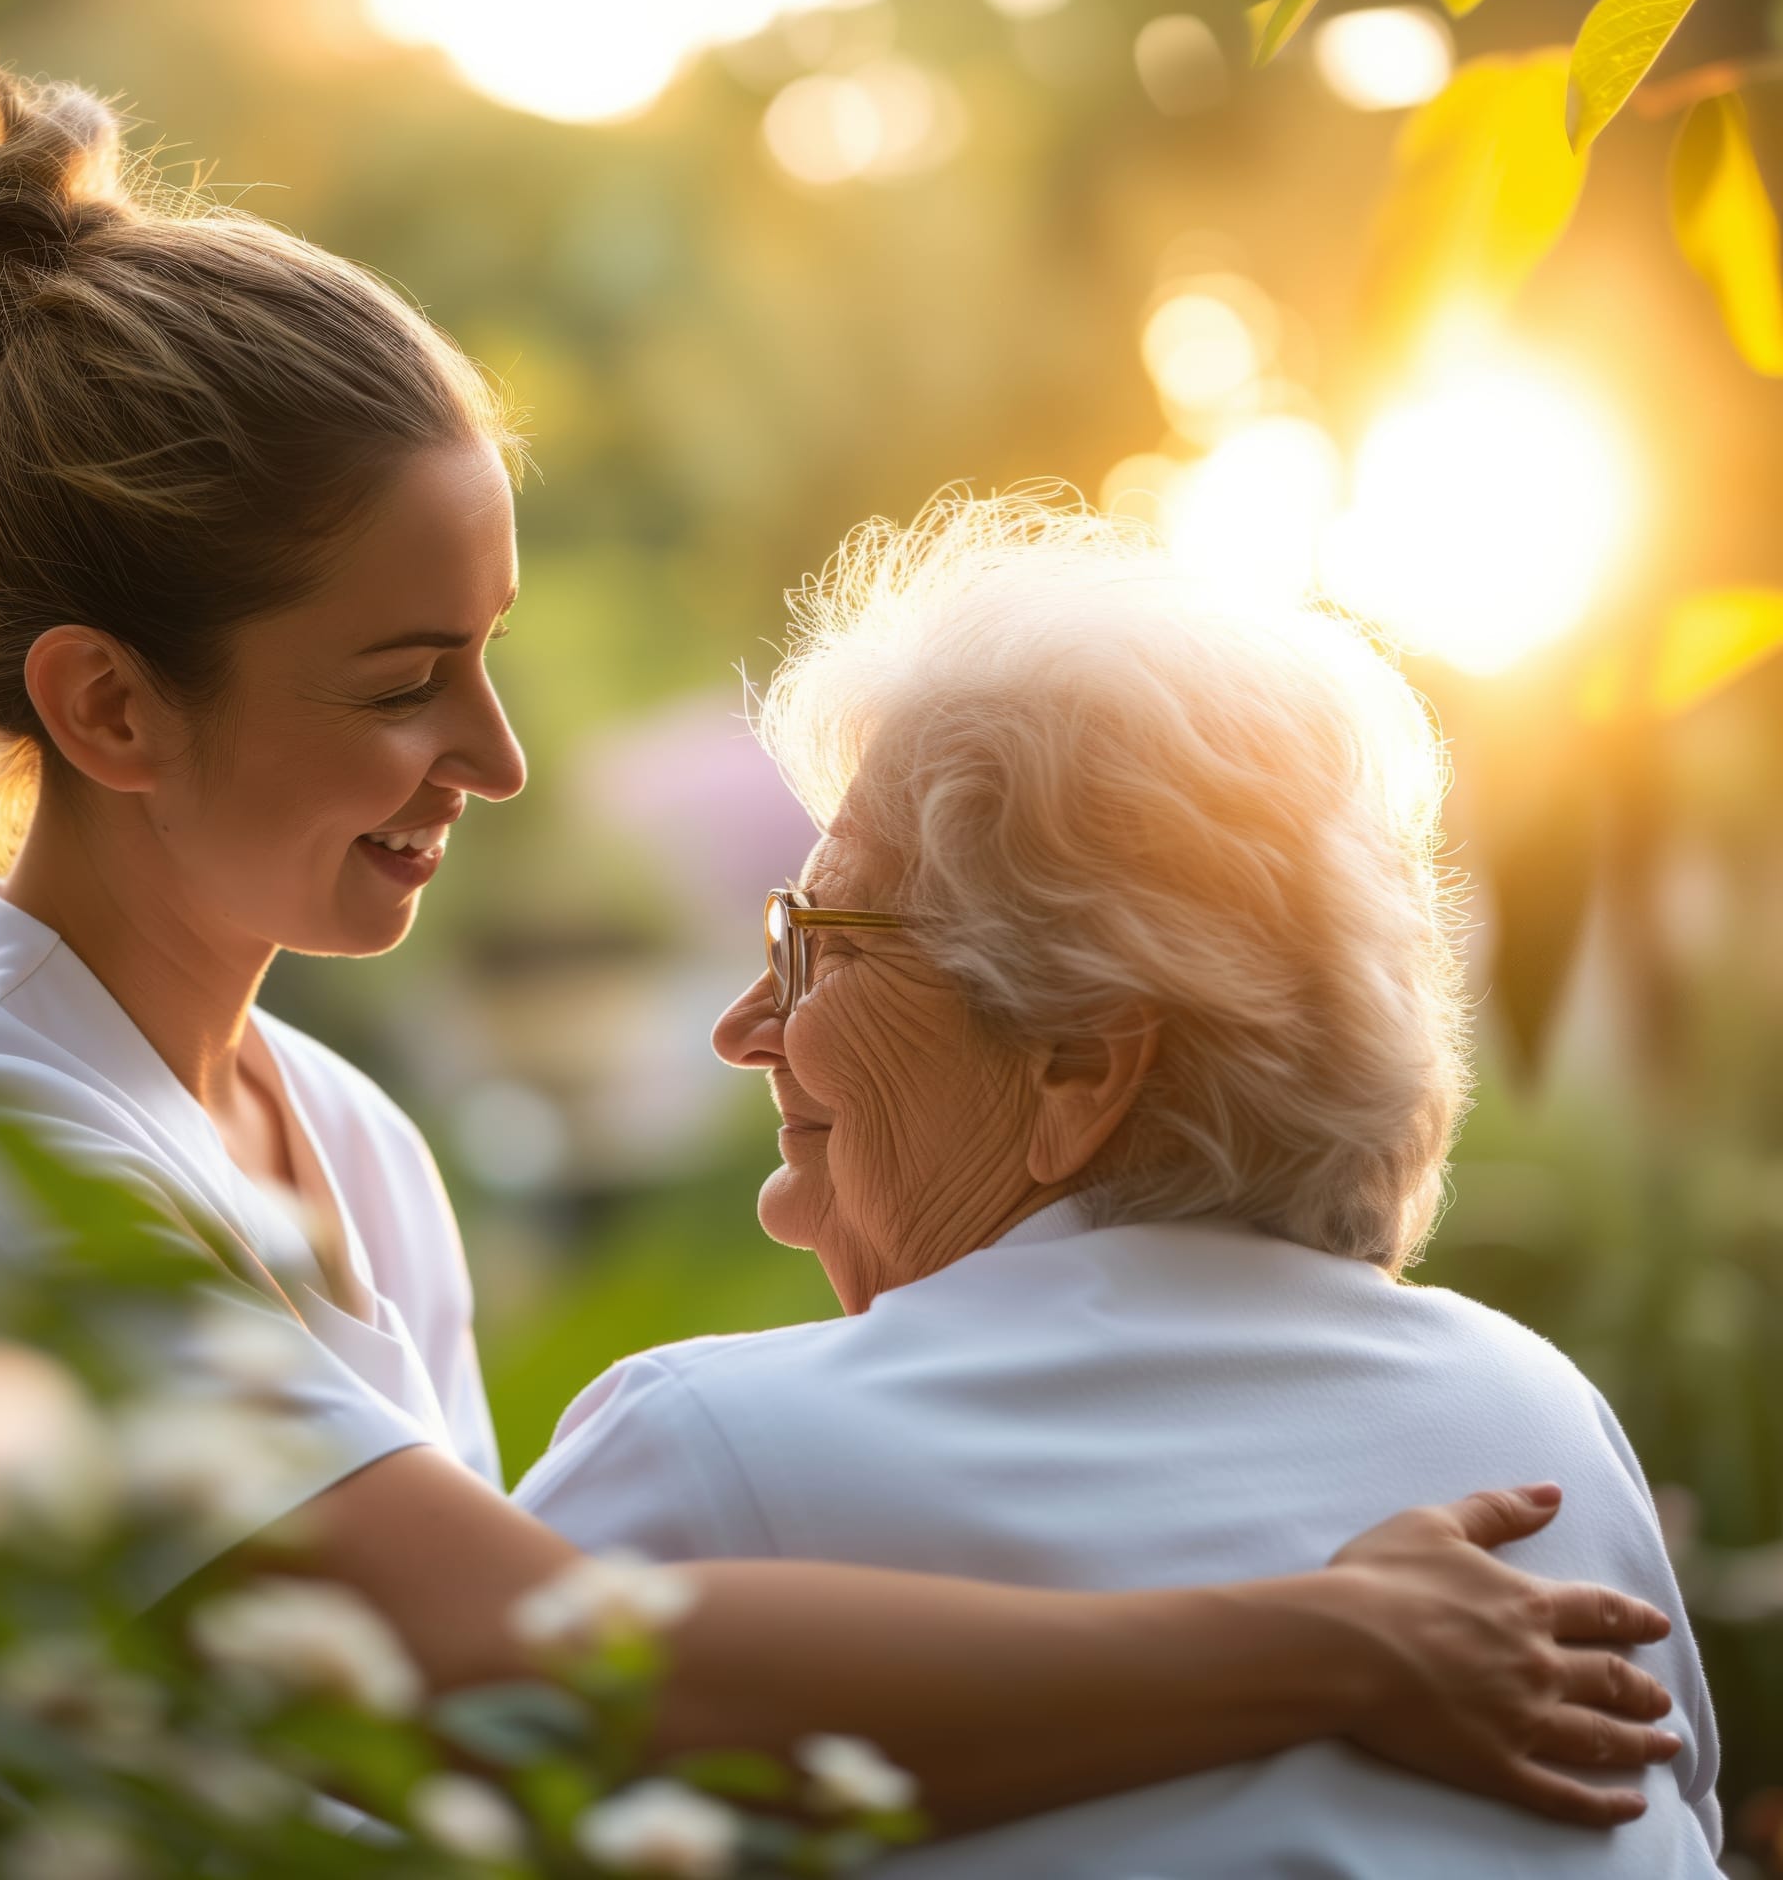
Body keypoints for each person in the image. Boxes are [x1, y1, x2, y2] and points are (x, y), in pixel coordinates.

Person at [0, 54, 1687, 1834]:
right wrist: (1316, 1643)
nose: (493, 756)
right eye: (400, 682)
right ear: (111, 708)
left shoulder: (356, 1151)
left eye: (484, 653)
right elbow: (535, 1676)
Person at [514, 498, 1723, 1873]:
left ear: (1080, 1064)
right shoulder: (1534, 1416)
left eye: (822, 943)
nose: (745, 1029)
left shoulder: (714, 1460)